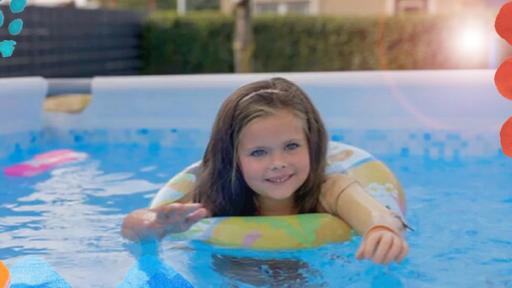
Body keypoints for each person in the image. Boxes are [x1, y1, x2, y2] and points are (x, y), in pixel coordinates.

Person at [122, 77, 409, 265]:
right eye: (259, 152)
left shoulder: (329, 189)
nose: (278, 162)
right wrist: (151, 222)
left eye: (292, 146)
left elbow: (376, 212)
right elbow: (132, 228)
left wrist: (381, 230)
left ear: (313, 143)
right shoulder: (213, 196)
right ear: (233, 159)